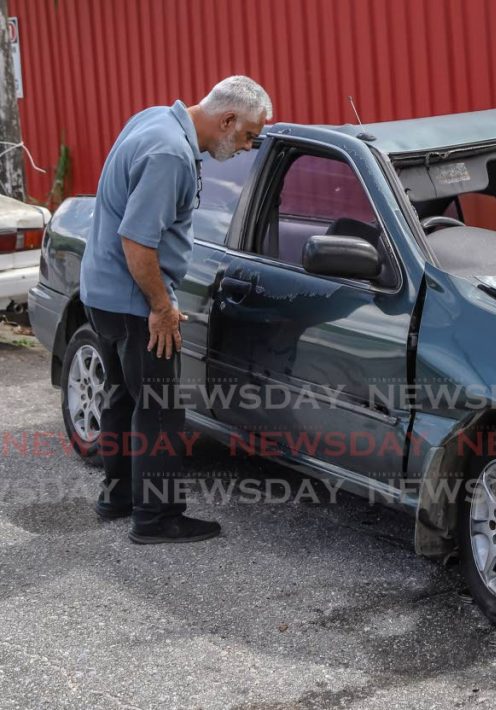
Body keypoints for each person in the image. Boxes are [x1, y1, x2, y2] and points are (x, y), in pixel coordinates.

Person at [80, 76, 272, 544]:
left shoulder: (155, 119)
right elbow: (137, 240)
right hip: (132, 299)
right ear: (227, 119)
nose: (249, 147)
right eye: (249, 135)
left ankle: (119, 497)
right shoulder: (170, 155)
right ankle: (157, 517)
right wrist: (162, 308)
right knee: (161, 406)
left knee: (124, 394)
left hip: (100, 291)